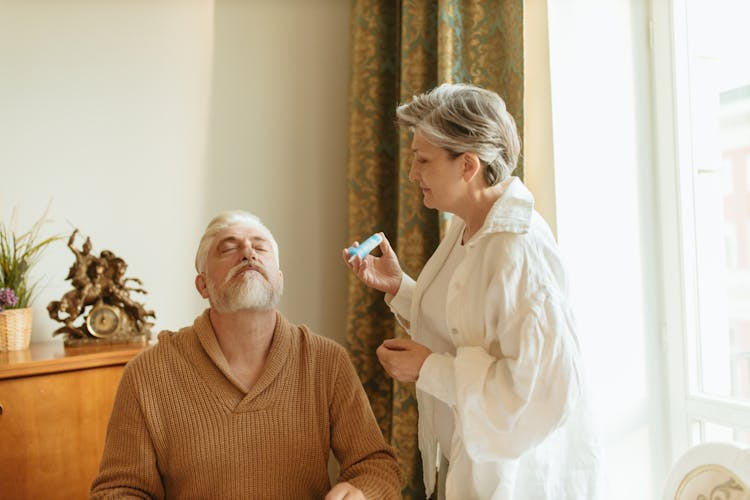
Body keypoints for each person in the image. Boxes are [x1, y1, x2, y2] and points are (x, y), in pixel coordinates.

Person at [343, 83, 603, 499]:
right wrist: (401, 288)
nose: (412, 174)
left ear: (468, 165)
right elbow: (466, 328)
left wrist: (428, 370)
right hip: (468, 469)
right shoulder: (469, 226)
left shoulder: (520, 251)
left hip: (521, 484)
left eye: (423, 160)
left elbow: (536, 394)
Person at [91, 210, 402, 500]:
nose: (248, 253)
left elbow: (376, 465)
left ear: (279, 280)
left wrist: (362, 492)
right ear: (203, 286)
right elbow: (119, 490)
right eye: (228, 248)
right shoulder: (148, 373)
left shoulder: (326, 361)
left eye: (260, 248)